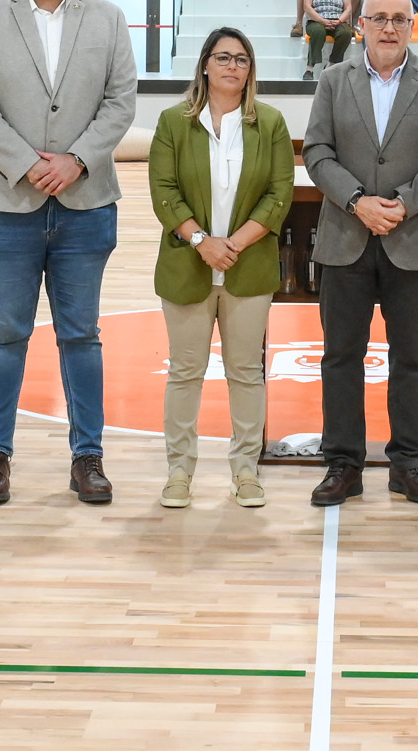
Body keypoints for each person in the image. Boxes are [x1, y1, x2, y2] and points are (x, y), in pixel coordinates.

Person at [0, 0, 139, 507]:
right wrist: (30, 164)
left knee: (82, 336)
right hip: (7, 204)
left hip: (85, 205)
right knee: (6, 334)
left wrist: (76, 160)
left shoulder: (107, 20)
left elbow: (121, 102)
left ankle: (88, 459)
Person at [302, 0, 418, 507]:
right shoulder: (332, 79)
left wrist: (401, 202)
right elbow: (317, 152)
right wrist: (357, 202)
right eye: (380, 19)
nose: (389, 28)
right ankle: (343, 464)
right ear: (362, 26)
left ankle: (407, 464)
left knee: (411, 358)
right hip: (345, 238)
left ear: (410, 26)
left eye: (399, 19)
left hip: (409, 236)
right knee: (340, 357)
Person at [149, 27, 293, 511]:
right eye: (224, 57)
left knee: (247, 372)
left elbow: (279, 194)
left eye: (242, 59)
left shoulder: (269, 122)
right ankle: (179, 471)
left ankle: (246, 471)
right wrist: (199, 241)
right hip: (188, 265)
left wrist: (230, 244)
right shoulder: (173, 121)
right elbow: (163, 190)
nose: (233, 66)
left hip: (246, 266)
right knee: (185, 371)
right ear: (205, 65)